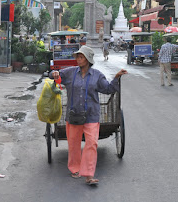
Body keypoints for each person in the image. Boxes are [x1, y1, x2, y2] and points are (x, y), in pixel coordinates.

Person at [50, 46, 127, 186]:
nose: (78, 59)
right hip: (74, 114)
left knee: (92, 143)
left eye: (81, 57)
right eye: (78, 57)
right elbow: (56, 77)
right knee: (73, 144)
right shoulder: (70, 73)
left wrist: (117, 77)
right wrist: (55, 74)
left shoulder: (97, 75)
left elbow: (108, 89)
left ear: (88, 59)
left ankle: (89, 174)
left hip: (91, 114)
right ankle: (75, 168)